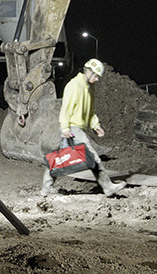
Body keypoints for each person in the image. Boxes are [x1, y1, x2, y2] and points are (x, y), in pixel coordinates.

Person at [41, 58, 126, 197]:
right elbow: (65, 109)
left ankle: (46, 188)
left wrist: (95, 125)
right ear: (88, 71)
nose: (97, 79)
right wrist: (65, 128)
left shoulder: (89, 88)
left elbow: (90, 111)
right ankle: (108, 187)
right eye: (96, 76)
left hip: (77, 128)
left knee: (59, 158)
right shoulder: (74, 85)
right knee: (93, 157)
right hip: (73, 129)